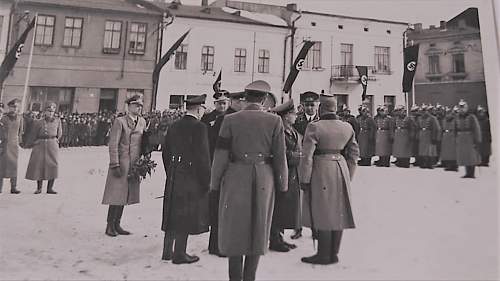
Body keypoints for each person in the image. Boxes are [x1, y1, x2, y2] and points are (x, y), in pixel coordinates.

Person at [211, 80, 287, 281]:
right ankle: (250, 277)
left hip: (235, 176)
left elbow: (220, 154)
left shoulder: (230, 120)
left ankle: (235, 277)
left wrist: (214, 183)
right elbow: (280, 157)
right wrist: (283, 184)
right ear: (264, 99)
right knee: (259, 227)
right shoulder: (274, 121)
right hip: (265, 178)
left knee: (235, 227)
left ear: (245, 98)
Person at [298, 93, 359, 265]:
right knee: (338, 210)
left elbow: (307, 156)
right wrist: (348, 173)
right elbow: (354, 154)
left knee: (323, 209)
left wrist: (305, 178)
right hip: (340, 168)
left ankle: (324, 254)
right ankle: (334, 253)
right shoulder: (347, 127)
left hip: (321, 168)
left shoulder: (314, 127)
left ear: (321, 108)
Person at [161, 94, 211, 264]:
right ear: (198, 109)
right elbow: (203, 157)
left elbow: (165, 152)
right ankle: (179, 254)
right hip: (190, 175)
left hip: (175, 173)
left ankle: (167, 252)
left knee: (171, 211)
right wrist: (206, 181)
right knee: (184, 213)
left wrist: (171, 171)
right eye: (202, 109)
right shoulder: (200, 127)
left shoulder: (174, 126)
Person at [101, 95, 146, 236]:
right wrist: (114, 163)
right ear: (129, 106)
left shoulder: (142, 122)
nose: (138, 108)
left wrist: (145, 158)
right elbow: (113, 144)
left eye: (140, 105)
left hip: (134, 164)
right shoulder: (120, 122)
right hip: (121, 162)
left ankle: (117, 224)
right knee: (116, 194)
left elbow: (143, 142)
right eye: (136, 105)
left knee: (125, 194)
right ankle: (109, 225)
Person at [207, 90, 245, 257]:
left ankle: (217, 244)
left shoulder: (231, 117)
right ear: (234, 102)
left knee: (224, 207)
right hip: (225, 169)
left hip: (227, 168)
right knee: (222, 207)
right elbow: (215, 146)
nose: (243, 104)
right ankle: (218, 245)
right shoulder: (226, 119)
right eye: (240, 101)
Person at [269, 100, 302, 252]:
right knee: (278, 206)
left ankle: (279, 237)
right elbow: (280, 153)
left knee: (285, 206)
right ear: (287, 115)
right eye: (293, 114)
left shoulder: (291, 130)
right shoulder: (279, 130)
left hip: (292, 174)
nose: (296, 116)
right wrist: (298, 157)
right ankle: (275, 239)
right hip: (283, 172)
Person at [291, 91, 319, 240]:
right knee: (299, 197)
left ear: (317, 105)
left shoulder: (321, 121)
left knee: (315, 197)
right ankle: (298, 228)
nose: (309, 108)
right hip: (301, 162)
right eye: (307, 105)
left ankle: (315, 228)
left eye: (312, 105)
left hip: (316, 163)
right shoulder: (297, 122)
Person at [25, 103, 62, 194]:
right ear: (45, 112)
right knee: (39, 165)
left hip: (52, 144)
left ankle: (50, 188)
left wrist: (56, 140)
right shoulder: (38, 122)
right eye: (49, 111)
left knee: (53, 165)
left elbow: (60, 133)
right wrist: (33, 143)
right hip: (40, 144)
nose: (50, 113)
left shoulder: (57, 121)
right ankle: (39, 188)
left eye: (52, 111)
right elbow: (33, 134)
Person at [0, 99, 23, 194]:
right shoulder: (3, 118)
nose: (14, 109)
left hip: (14, 146)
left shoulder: (20, 118)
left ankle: (13, 187)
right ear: (9, 107)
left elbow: (20, 132)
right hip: (4, 145)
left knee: (14, 166)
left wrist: (19, 143)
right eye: (12, 107)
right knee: (1, 166)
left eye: (16, 107)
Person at [455, 100, 482, 178]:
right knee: (464, 156)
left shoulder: (471, 117)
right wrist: (456, 137)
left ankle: (472, 173)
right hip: (461, 138)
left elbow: (476, 128)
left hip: (469, 137)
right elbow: (455, 128)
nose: (462, 109)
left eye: (463, 107)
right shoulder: (457, 117)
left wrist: (477, 139)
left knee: (471, 156)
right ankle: (467, 173)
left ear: (466, 108)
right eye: (460, 107)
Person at [415, 104, 441, 169]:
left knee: (430, 150)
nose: (424, 112)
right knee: (422, 151)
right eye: (422, 110)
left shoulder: (432, 118)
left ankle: (430, 164)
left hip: (429, 135)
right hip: (422, 135)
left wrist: (434, 137)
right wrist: (417, 136)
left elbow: (436, 128)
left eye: (425, 110)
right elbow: (417, 128)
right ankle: (423, 163)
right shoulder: (419, 118)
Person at [440, 106, 459, 171]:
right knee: (446, 151)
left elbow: (457, 128)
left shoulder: (455, 119)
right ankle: (448, 164)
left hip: (452, 135)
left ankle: (454, 165)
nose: (448, 114)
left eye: (449, 113)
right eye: (447, 113)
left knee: (452, 151)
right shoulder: (444, 120)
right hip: (446, 135)